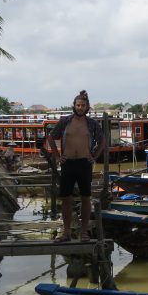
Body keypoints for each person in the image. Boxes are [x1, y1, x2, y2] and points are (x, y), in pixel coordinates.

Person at [45, 91, 106, 240]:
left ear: (87, 107)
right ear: (74, 106)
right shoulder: (65, 121)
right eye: (78, 105)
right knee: (66, 198)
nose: (80, 107)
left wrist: (94, 156)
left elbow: (102, 140)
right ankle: (66, 232)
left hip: (84, 164)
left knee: (86, 197)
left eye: (83, 105)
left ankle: (83, 232)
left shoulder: (92, 124)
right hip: (68, 163)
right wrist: (58, 156)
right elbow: (51, 137)